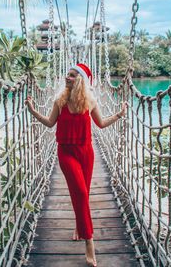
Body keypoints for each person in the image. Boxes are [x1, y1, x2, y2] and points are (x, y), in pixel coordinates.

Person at [25, 63, 127, 267]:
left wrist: (119, 114)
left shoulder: (90, 101)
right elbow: (50, 122)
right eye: (67, 74)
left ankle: (79, 226)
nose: (67, 77)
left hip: (86, 153)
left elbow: (101, 124)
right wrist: (32, 111)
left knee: (84, 193)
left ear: (80, 80)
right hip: (66, 152)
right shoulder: (60, 100)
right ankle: (90, 242)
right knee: (80, 192)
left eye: (72, 75)